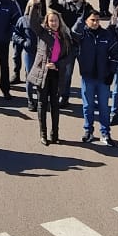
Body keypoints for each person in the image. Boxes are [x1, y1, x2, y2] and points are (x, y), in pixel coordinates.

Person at [26, 9, 77, 146]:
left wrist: (57, 65)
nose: (54, 23)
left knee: (55, 105)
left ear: (59, 22)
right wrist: (35, 5)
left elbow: (68, 56)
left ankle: (55, 134)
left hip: (56, 74)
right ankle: (43, 134)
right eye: (51, 20)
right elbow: (32, 22)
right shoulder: (43, 34)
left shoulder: (64, 36)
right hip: (42, 74)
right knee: (42, 104)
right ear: (47, 22)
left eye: (56, 20)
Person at [74, 8, 118, 146]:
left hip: (103, 78)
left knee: (104, 107)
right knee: (88, 106)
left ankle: (105, 133)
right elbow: (73, 33)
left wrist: (111, 73)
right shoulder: (82, 35)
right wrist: (80, 20)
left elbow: (115, 55)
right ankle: (88, 131)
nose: (95, 23)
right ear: (86, 21)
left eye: (97, 20)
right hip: (87, 77)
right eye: (92, 20)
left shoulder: (107, 35)